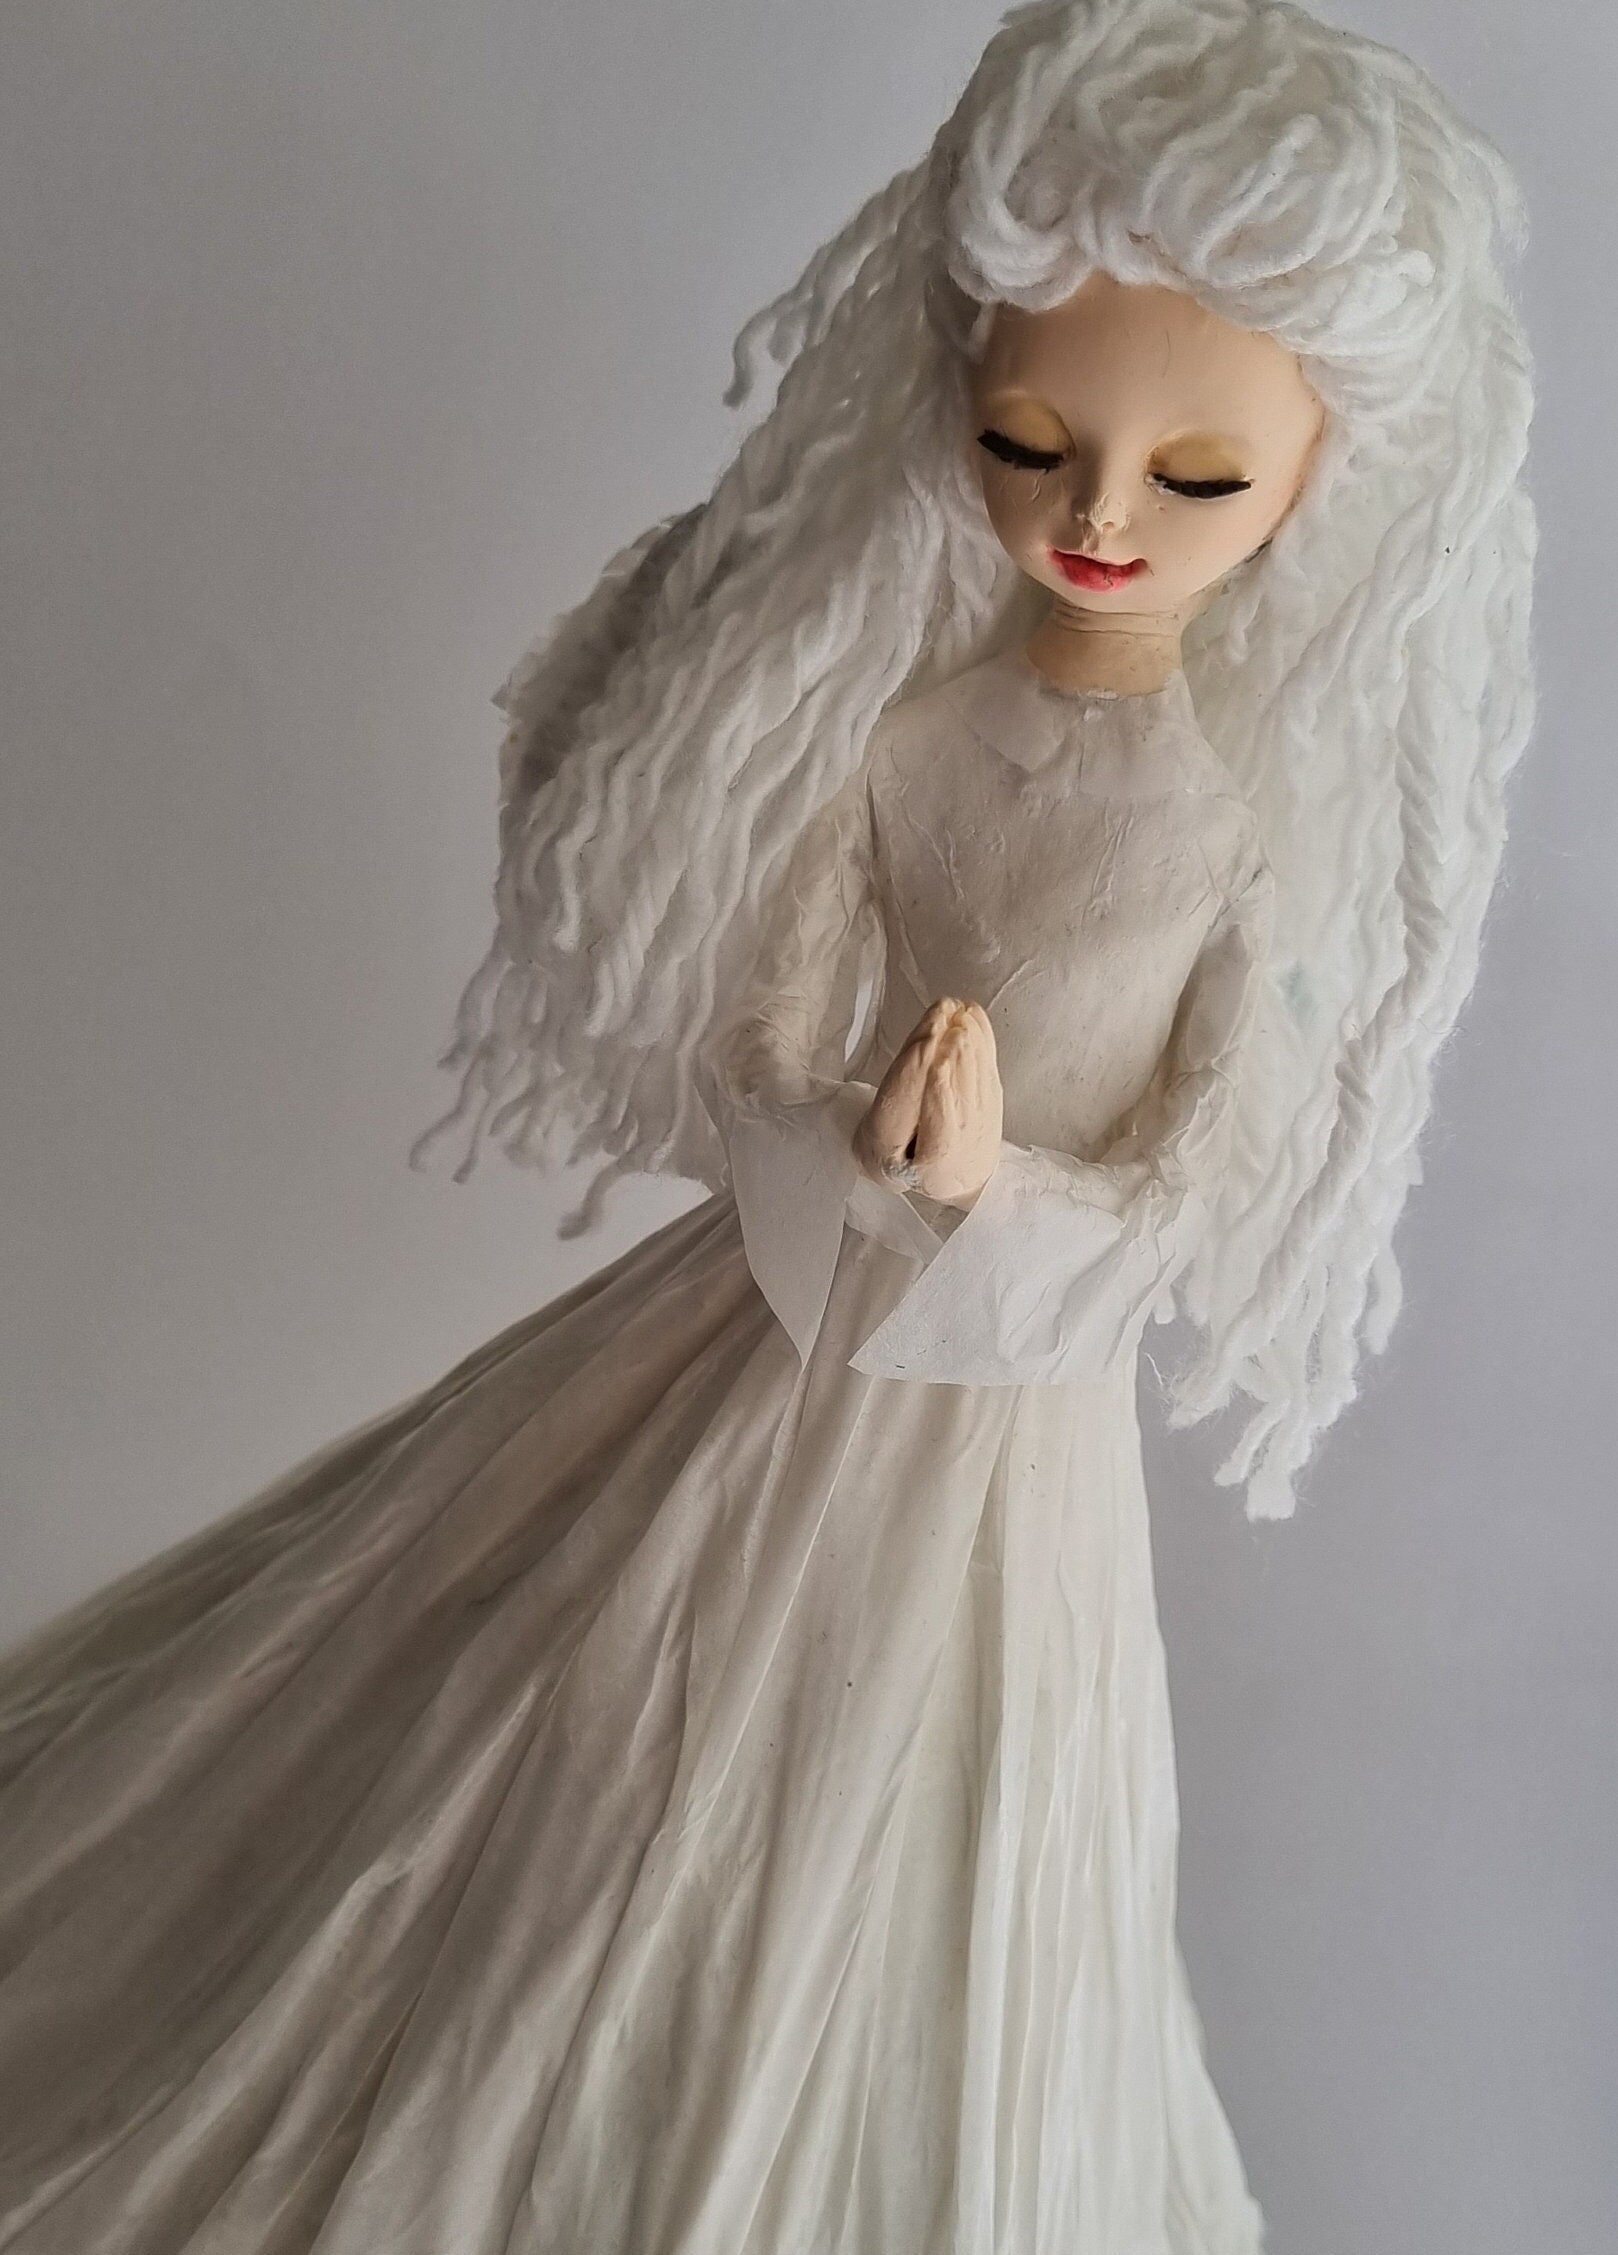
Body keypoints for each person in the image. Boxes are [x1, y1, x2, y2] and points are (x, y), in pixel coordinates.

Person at [0, 3, 1534, 2249]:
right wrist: (847, 1136)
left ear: (1322, 479)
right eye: (1030, 442)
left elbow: (1195, 1175)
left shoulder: (1235, 847)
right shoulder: (907, 745)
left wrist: (997, 1193)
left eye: (1196, 476)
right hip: (766, 1337)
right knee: (567, 1730)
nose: (1099, 515)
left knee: (926, 1855)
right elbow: (755, 1039)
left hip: (1006, 1445)